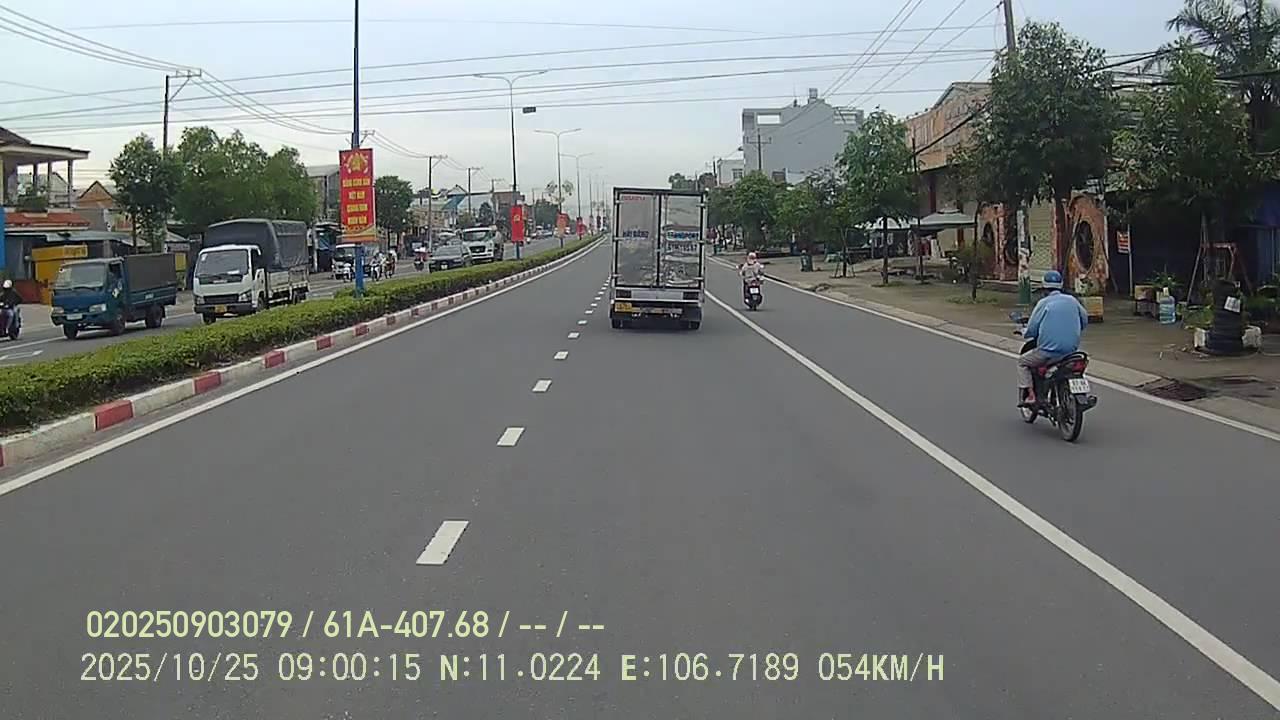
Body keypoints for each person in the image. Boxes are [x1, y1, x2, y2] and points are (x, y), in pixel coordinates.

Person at [1018, 270, 1089, 407]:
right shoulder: (1072, 301)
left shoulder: (1043, 303)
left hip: (1048, 352)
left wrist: (1024, 332)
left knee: (1022, 362)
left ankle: (1031, 396)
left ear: (1044, 288)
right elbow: (1084, 320)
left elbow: (1032, 329)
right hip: (1071, 351)